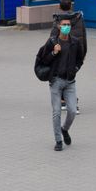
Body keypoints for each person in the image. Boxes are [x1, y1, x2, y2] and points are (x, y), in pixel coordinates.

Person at [39, 15, 82, 150]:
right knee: (56, 112)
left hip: (70, 82)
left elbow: (80, 59)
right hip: (56, 81)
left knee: (72, 111)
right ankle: (58, 140)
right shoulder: (52, 42)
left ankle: (65, 129)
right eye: (64, 25)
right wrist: (53, 52)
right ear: (59, 26)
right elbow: (44, 60)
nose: (66, 27)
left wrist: (75, 69)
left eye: (68, 25)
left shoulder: (75, 42)